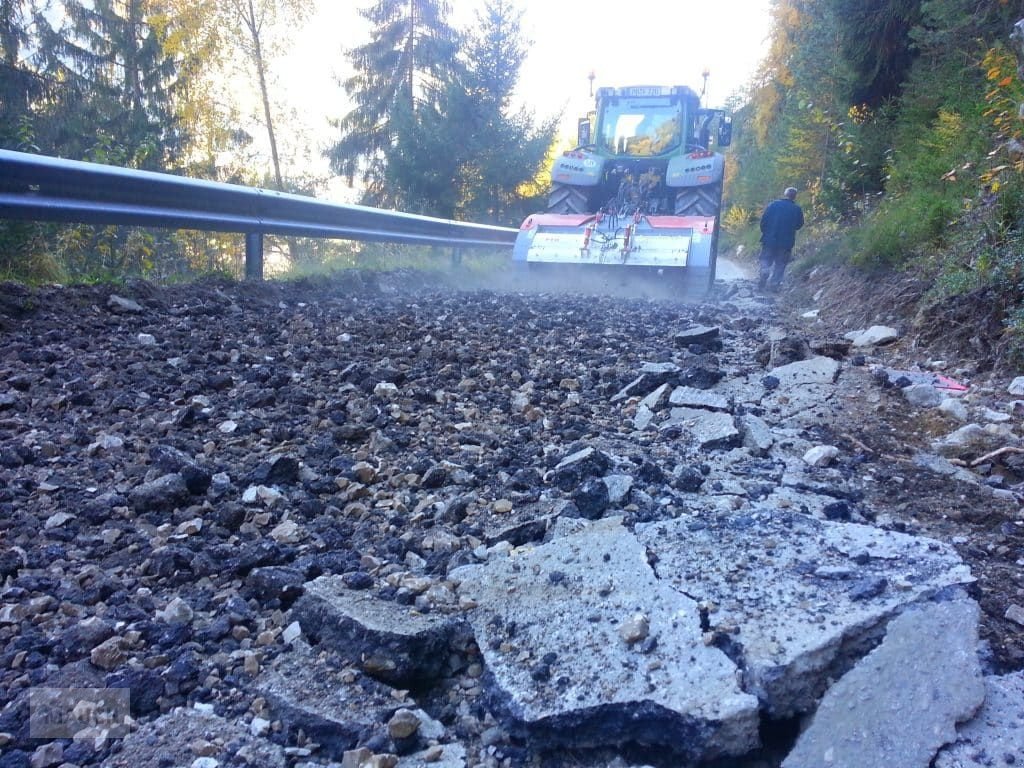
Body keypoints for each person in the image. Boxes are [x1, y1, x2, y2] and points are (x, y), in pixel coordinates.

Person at [758, 187, 804, 291]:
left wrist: (766, 233)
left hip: (769, 239)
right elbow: (799, 225)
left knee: (766, 259)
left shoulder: (773, 205)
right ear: (794, 196)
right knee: (780, 263)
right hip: (786, 242)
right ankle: (774, 284)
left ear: (785, 194)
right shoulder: (796, 209)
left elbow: (763, 222)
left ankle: (764, 274)